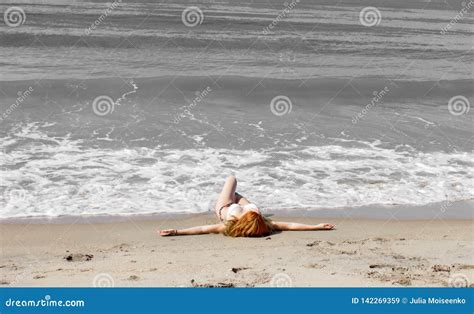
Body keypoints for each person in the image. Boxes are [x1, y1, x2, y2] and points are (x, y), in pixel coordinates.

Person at [159, 176, 335, 237]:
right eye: (257, 214)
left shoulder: (231, 223)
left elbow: (202, 229)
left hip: (226, 207)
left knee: (231, 179)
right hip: (241, 205)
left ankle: (229, 195)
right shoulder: (264, 223)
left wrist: (176, 231)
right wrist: (316, 226)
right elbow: (290, 225)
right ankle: (236, 196)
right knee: (239, 195)